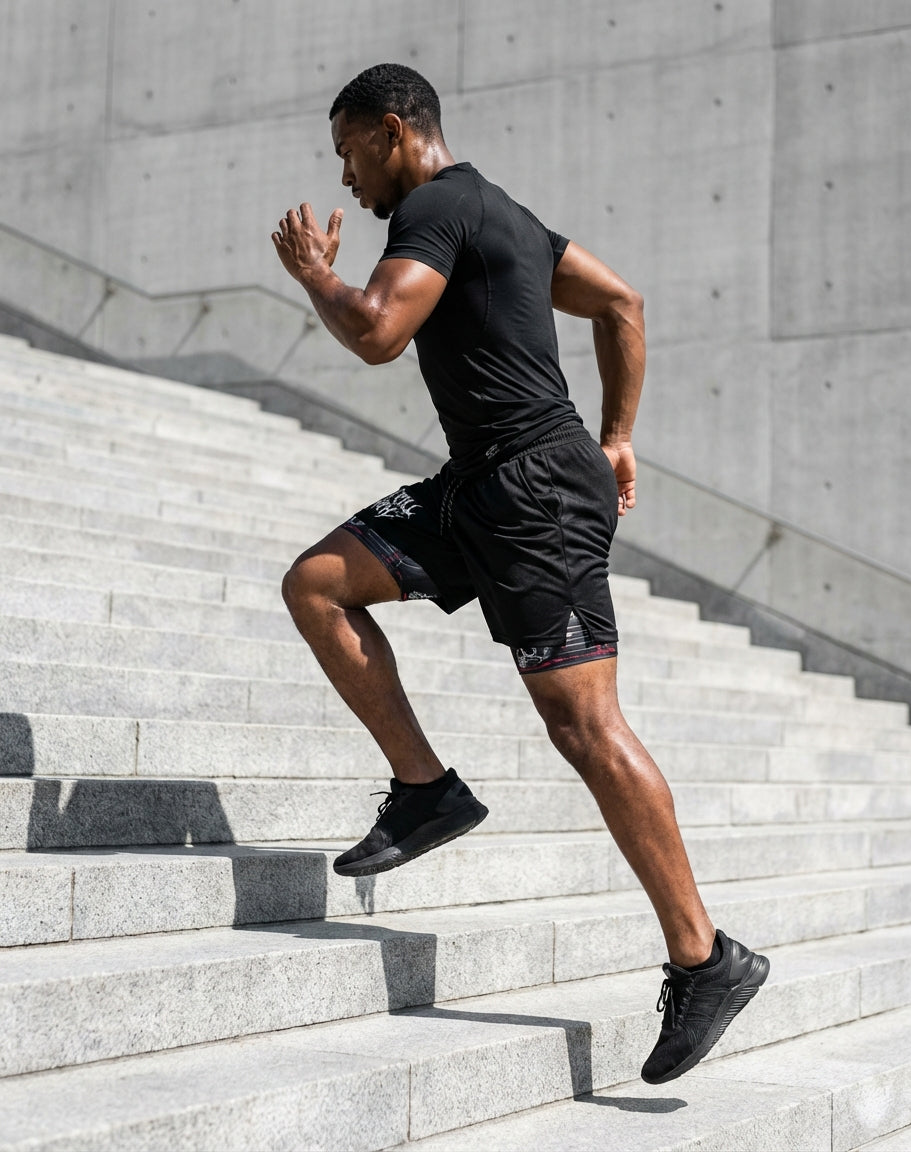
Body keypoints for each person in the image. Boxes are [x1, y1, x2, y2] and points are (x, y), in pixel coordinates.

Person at [272, 63, 768, 1084]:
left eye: (349, 149)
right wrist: (619, 438)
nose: (346, 176)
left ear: (395, 129)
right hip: (481, 486)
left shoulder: (437, 212)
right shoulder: (498, 212)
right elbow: (620, 304)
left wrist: (317, 273)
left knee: (584, 726)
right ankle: (426, 791)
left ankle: (705, 958)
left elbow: (375, 329)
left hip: (534, 491)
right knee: (318, 582)